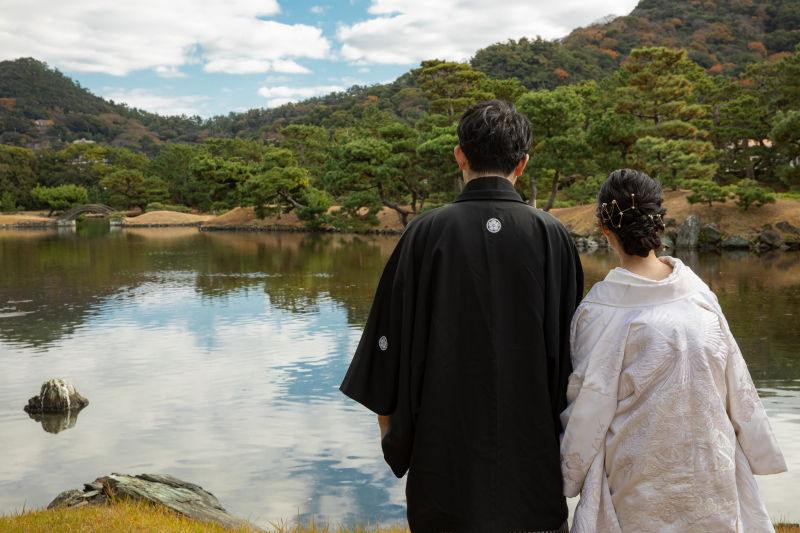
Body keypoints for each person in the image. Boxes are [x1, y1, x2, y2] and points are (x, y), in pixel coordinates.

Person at [340, 99, 584, 533]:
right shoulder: (552, 236)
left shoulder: (424, 232)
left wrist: (396, 440)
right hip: (533, 468)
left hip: (442, 469)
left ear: (460, 156)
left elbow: (386, 351)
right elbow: (575, 359)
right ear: (522, 164)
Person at [560, 169, 788, 533]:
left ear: (605, 228)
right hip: (710, 462)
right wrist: (756, 447)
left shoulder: (600, 312)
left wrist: (568, 472)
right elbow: (737, 384)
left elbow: (590, 404)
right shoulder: (699, 295)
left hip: (639, 473)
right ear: (659, 223)